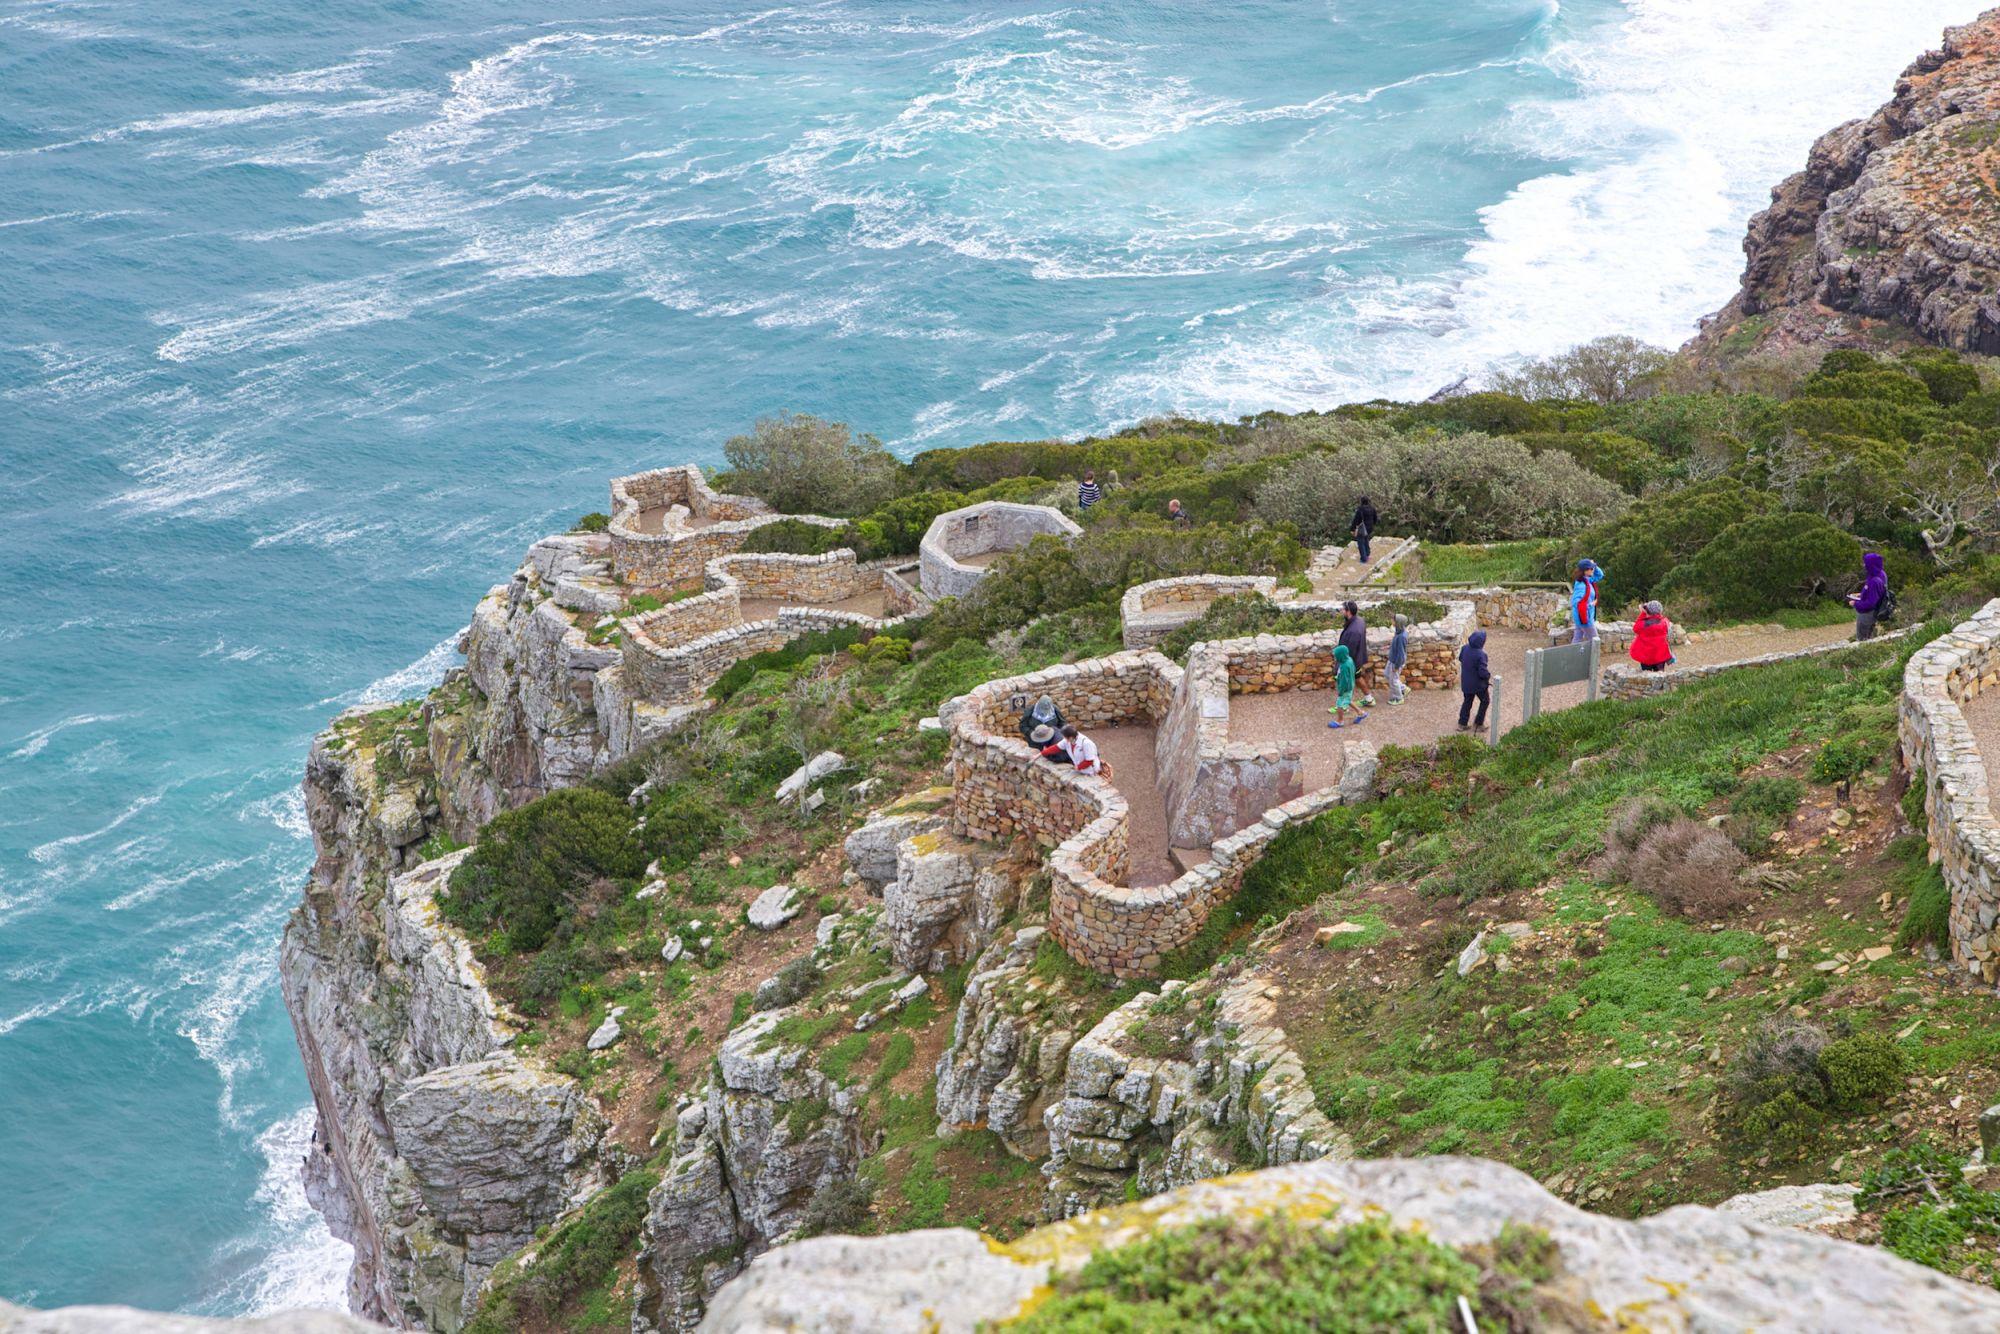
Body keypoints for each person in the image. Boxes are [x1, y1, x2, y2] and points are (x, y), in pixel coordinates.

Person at [1339, 601, 1374, 706]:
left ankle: (1342, 706)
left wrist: (1343, 664)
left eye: (1342, 609)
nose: (1341, 611)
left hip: (1351, 662)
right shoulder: (1360, 621)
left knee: (1344, 683)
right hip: (1358, 659)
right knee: (1358, 678)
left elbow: (1350, 650)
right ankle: (1369, 699)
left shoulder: (1353, 631)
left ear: (1348, 612)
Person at [1850, 551, 1888, 641]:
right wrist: (1862, 594)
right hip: (1875, 613)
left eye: (1865, 563)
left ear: (1870, 564)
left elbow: (1870, 603)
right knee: (1871, 637)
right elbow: (1877, 592)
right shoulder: (1881, 574)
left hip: (1867, 614)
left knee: (1862, 639)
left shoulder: (1874, 580)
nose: (1864, 565)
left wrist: (1855, 603)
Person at [1040, 723, 1105, 776]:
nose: (1063, 738)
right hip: (1080, 769)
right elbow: (1056, 747)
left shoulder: (1086, 743)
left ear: (1070, 737)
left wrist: (1078, 767)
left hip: (1090, 771)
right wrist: (1041, 753)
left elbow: (1089, 761)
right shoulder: (1068, 740)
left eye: (1064, 736)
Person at [1458, 630, 1491, 732]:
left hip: (1466, 682)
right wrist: (1488, 677)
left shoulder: (1464, 648)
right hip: (1478, 685)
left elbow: (1460, 658)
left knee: (1467, 702)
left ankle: (1462, 723)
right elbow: (1482, 672)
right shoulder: (1481, 654)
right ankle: (1478, 723)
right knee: (1485, 701)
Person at [1327, 643, 1366, 728]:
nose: (1335, 657)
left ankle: (1340, 721)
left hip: (1345, 688)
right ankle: (1361, 713)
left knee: (1339, 704)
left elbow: (1345, 681)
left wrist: (1341, 691)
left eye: (1336, 656)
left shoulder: (1344, 666)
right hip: (1351, 685)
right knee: (1347, 700)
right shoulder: (1349, 659)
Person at [1629, 601, 1675, 672]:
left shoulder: (1642, 624)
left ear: (1647, 611)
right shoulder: (1665, 622)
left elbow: (1635, 628)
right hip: (1660, 655)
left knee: (1647, 676)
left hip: (1646, 656)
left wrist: (1643, 613)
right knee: (1660, 675)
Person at [1569, 559, 1604, 643]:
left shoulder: (1587, 580)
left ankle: (1572, 655)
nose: (1593, 570)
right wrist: (1591, 604)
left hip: (1581, 617)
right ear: (1585, 571)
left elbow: (1600, 575)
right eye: (1591, 568)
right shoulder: (1582, 585)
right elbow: (1576, 603)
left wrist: (1594, 565)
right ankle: (1593, 656)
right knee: (1595, 641)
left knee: (1576, 640)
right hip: (1585, 619)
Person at [1385, 613, 1410, 704]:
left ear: (1398, 622)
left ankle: (1398, 698)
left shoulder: (1401, 637)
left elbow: (1401, 653)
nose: (1392, 621)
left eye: (1394, 620)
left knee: (1394, 680)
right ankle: (1403, 688)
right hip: (1392, 659)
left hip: (1396, 662)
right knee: (1387, 674)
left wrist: (1396, 666)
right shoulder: (1398, 631)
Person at [1349, 495, 1379, 565]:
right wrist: (1372, 524)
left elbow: (1356, 520)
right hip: (1369, 528)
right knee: (1366, 540)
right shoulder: (1372, 508)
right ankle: (1367, 554)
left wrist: (1352, 529)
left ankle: (1364, 559)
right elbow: (1375, 518)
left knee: (1360, 543)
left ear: (1361, 502)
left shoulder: (1360, 510)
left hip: (1362, 528)